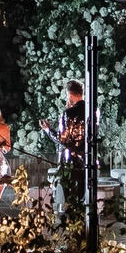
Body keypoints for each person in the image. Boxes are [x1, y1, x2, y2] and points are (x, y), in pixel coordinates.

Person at [41, 80, 88, 215]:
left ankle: (69, 218)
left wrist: (48, 130)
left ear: (70, 95)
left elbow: (62, 139)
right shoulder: (91, 111)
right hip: (86, 158)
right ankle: (82, 218)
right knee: (83, 193)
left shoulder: (68, 113)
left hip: (69, 160)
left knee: (68, 193)